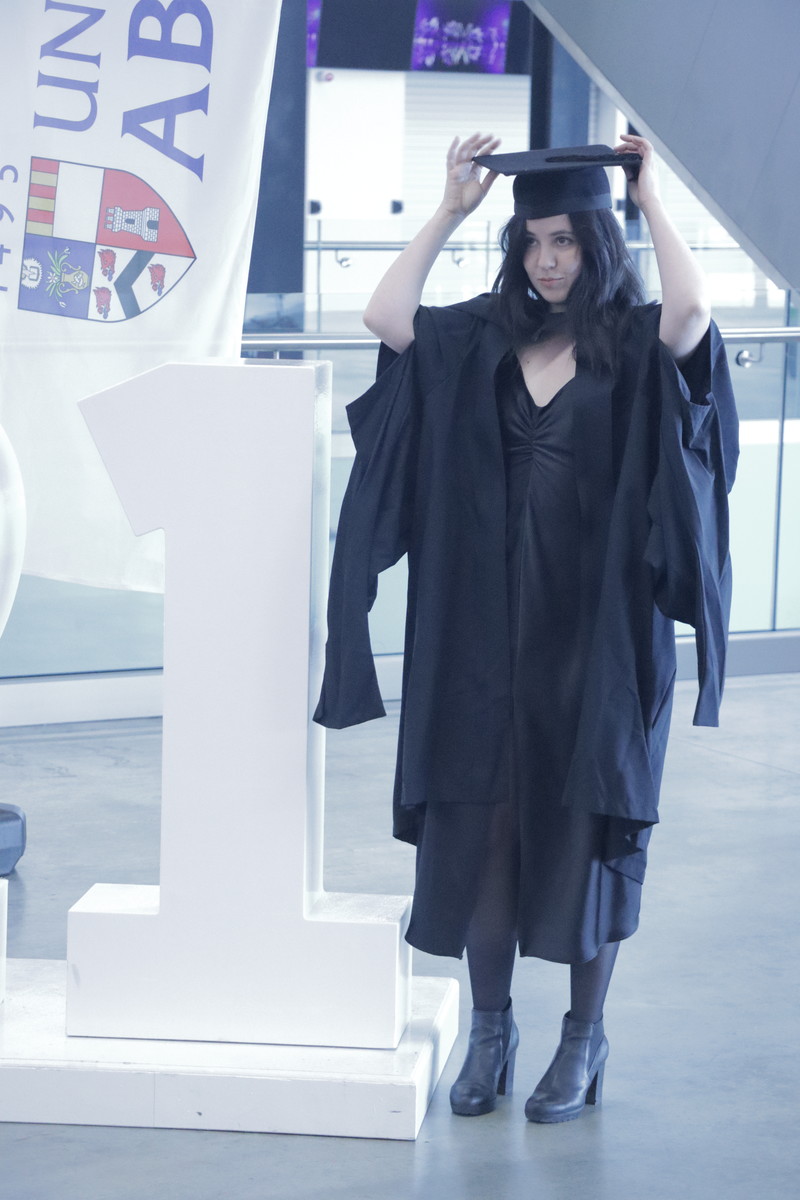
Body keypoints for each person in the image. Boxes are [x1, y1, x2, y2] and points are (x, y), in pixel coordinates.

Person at [314, 133, 738, 1123]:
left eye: (565, 241)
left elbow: (691, 315)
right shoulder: (478, 338)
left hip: (596, 643)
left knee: (586, 827)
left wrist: (649, 199)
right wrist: (448, 210)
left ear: (598, 243)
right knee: (485, 828)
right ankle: (491, 1029)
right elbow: (384, 316)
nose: (546, 261)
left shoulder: (634, 341)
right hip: (479, 636)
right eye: (531, 242)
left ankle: (582, 1039)